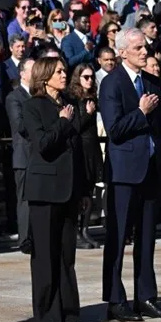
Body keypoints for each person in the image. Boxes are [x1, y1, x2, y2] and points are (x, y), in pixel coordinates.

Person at [99, 28, 161, 322]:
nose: (145, 52)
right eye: (139, 48)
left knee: (147, 238)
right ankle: (116, 300)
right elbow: (115, 129)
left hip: (150, 170)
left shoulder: (151, 83)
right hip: (124, 171)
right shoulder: (111, 84)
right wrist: (140, 112)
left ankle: (145, 296)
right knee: (118, 238)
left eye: (146, 47)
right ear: (122, 52)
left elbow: (160, 132)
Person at [20, 56, 86, 322]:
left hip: (69, 189)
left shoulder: (69, 105)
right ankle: (47, 314)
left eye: (64, 70)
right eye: (59, 71)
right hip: (45, 190)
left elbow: (77, 151)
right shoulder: (32, 106)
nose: (64, 75)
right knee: (45, 256)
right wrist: (61, 122)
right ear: (45, 76)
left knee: (66, 255)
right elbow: (43, 145)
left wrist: (83, 189)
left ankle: (69, 312)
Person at [67, 63, 101, 250]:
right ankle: (76, 232)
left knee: (89, 191)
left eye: (91, 77)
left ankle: (85, 229)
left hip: (91, 148)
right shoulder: (72, 98)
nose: (89, 80)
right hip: (79, 149)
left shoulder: (92, 97)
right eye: (85, 77)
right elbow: (76, 127)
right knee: (79, 192)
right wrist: (88, 114)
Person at [5, 58, 34, 254]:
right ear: (22, 73)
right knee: (24, 200)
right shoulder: (14, 97)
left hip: (40, 155)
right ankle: (25, 239)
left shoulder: (41, 95)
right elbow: (20, 125)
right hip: (24, 155)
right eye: (33, 70)